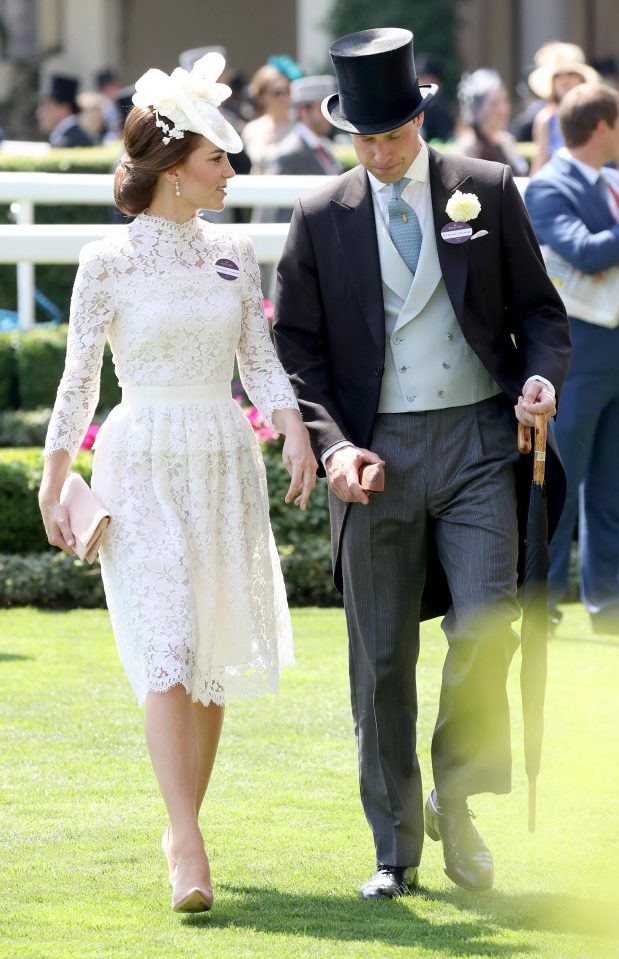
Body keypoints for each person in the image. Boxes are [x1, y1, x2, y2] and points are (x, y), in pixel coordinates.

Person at [273, 27, 571, 899]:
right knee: (380, 661)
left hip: (481, 442)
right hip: (373, 455)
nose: (377, 152)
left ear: (418, 120)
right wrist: (331, 446)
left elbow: (539, 313)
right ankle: (394, 851)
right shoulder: (318, 214)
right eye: (363, 139)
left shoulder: (484, 189)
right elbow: (296, 347)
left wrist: (540, 379)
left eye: (391, 135)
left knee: (487, 623)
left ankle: (457, 796)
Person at [39, 51, 317, 914]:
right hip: (139, 456)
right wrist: (56, 479)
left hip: (221, 458)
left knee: (206, 659)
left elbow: (260, 363)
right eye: (216, 159)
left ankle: (180, 821)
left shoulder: (235, 251)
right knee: (164, 648)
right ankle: (186, 839)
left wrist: (297, 434)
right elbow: (79, 379)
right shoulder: (105, 262)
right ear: (170, 169)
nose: (231, 171)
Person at [525, 83, 619, 635]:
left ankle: (607, 602)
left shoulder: (608, 182)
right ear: (603, 127)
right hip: (577, 355)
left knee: (610, 486)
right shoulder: (548, 187)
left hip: (612, 347)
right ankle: (544, 601)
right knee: (563, 480)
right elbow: (582, 252)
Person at [260, 75, 341, 224]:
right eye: (322, 108)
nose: (330, 114)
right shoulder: (288, 153)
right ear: (304, 111)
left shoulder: (325, 147)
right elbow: (268, 210)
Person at [528, 42, 598, 174]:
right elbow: (540, 162)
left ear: (581, 78)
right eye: (558, 75)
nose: (565, 81)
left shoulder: (597, 113)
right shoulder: (546, 118)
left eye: (570, 74)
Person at [456, 68, 529, 175]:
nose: (502, 109)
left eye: (505, 100)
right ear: (477, 109)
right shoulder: (469, 145)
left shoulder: (506, 141)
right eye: (494, 103)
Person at [242, 64, 293, 170]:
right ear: (261, 97)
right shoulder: (252, 129)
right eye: (277, 93)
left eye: (287, 91)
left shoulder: (300, 127)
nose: (284, 97)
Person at [37, 74, 95, 148]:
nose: (40, 113)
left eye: (47, 107)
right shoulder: (66, 138)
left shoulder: (72, 142)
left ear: (64, 109)